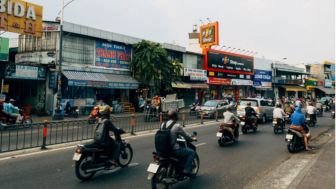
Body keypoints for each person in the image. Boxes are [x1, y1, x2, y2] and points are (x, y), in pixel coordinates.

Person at [162, 109, 197, 175]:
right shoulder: (177, 126)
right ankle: (186, 169)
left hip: (163, 149)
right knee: (192, 152)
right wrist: (193, 139)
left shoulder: (163, 124)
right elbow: (186, 136)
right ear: (175, 116)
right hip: (174, 149)